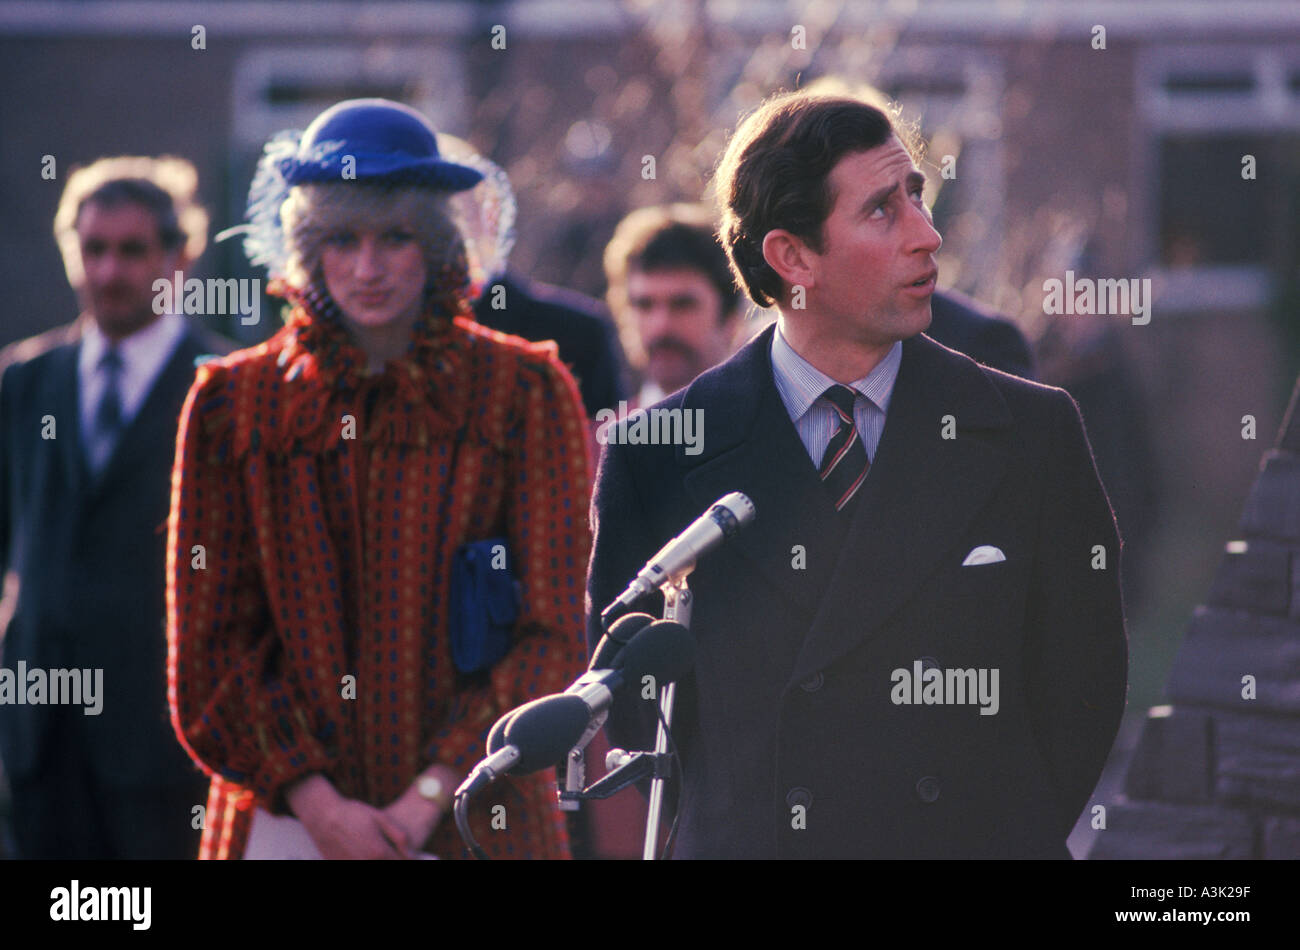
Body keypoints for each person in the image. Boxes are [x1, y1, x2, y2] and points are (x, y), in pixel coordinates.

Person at [586, 91, 1128, 859]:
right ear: (792, 257)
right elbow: (642, 712)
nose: (927, 234)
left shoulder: (1030, 432)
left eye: (917, 196)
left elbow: (1083, 685)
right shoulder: (656, 454)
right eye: (882, 210)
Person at [166, 99, 591, 859]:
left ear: (435, 244)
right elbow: (209, 652)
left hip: (481, 816)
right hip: (285, 827)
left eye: (395, 237)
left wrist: (431, 791)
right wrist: (317, 801)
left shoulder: (524, 392)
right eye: (342, 239)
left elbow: (552, 635)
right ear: (307, 247)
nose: (367, 268)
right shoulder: (233, 404)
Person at [0, 156, 227, 858]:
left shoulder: (221, 390)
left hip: (164, 746)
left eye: (132, 250)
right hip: (40, 740)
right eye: (93, 249)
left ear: (178, 258)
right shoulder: (24, 381)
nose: (109, 271)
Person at [602, 203, 743, 409]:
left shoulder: (782, 431)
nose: (661, 326)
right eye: (644, 305)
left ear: (730, 317)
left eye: (682, 305)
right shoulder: (597, 438)